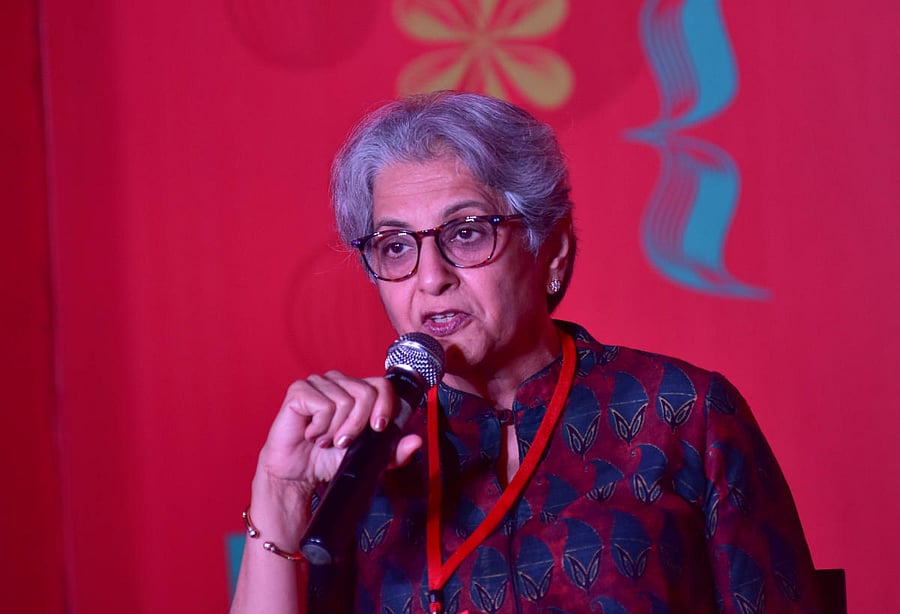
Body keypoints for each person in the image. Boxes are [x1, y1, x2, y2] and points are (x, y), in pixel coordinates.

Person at [230, 91, 822, 613]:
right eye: (395, 246)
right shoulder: (356, 455)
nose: (429, 277)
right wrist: (281, 494)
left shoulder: (682, 415)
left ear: (552, 250)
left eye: (466, 233)